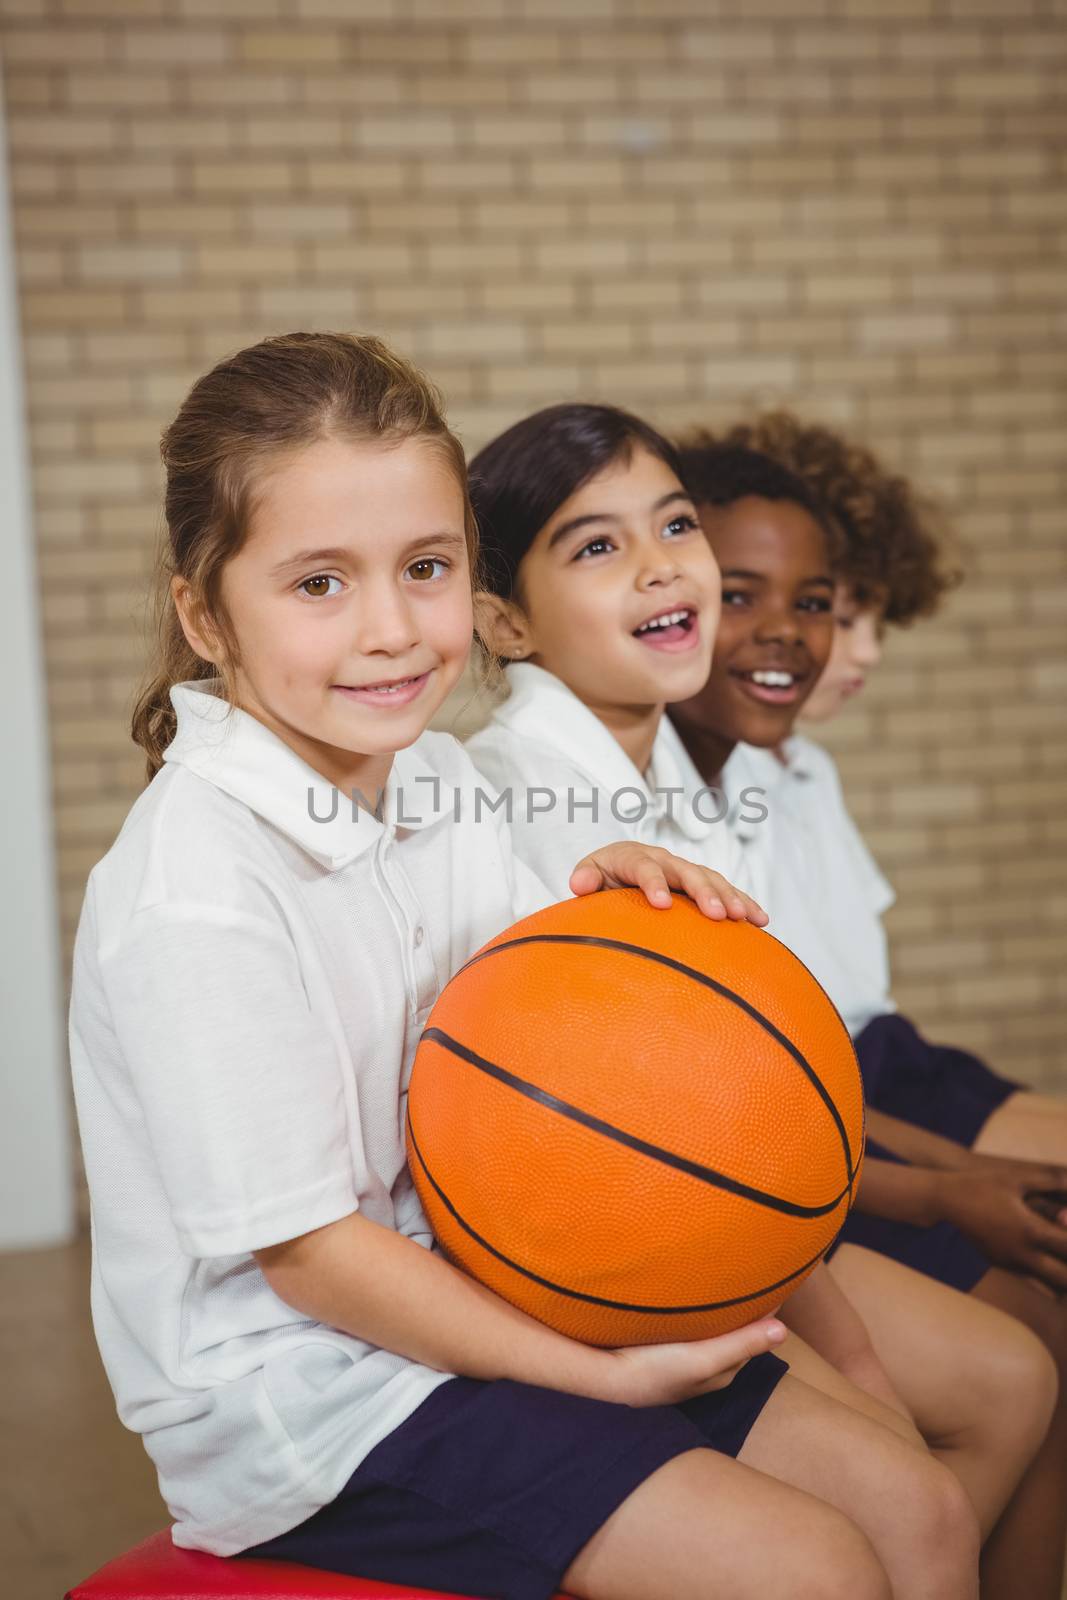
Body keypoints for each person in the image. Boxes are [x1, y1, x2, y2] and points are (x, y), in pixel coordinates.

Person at [67, 333, 982, 1600]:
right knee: (809, 1564)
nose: (390, 630)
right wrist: (605, 1376)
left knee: (920, 1507)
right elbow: (313, 1256)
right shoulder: (195, 887)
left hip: (504, 1275)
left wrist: (625, 893)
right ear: (203, 613)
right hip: (316, 1397)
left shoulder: (440, 785)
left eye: (425, 568)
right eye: (319, 583)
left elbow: (578, 1053)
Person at [463, 400, 1057, 1600]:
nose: (657, 562)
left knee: (994, 1394)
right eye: (595, 546)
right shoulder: (515, 804)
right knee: (934, 1462)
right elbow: (638, 1141)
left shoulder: (681, 778)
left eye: (671, 524)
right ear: (505, 621)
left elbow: (772, 1073)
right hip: (611, 1244)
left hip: (720, 1205)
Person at [668, 433, 1067, 1600]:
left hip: (850, 1076)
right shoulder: (606, 789)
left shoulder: (757, 766)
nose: (814, 642)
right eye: (736, 595)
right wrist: (946, 1186)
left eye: (820, 605)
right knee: (1020, 1327)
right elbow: (761, 1089)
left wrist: (955, 1174)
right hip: (793, 1118)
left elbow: (846, 1035)